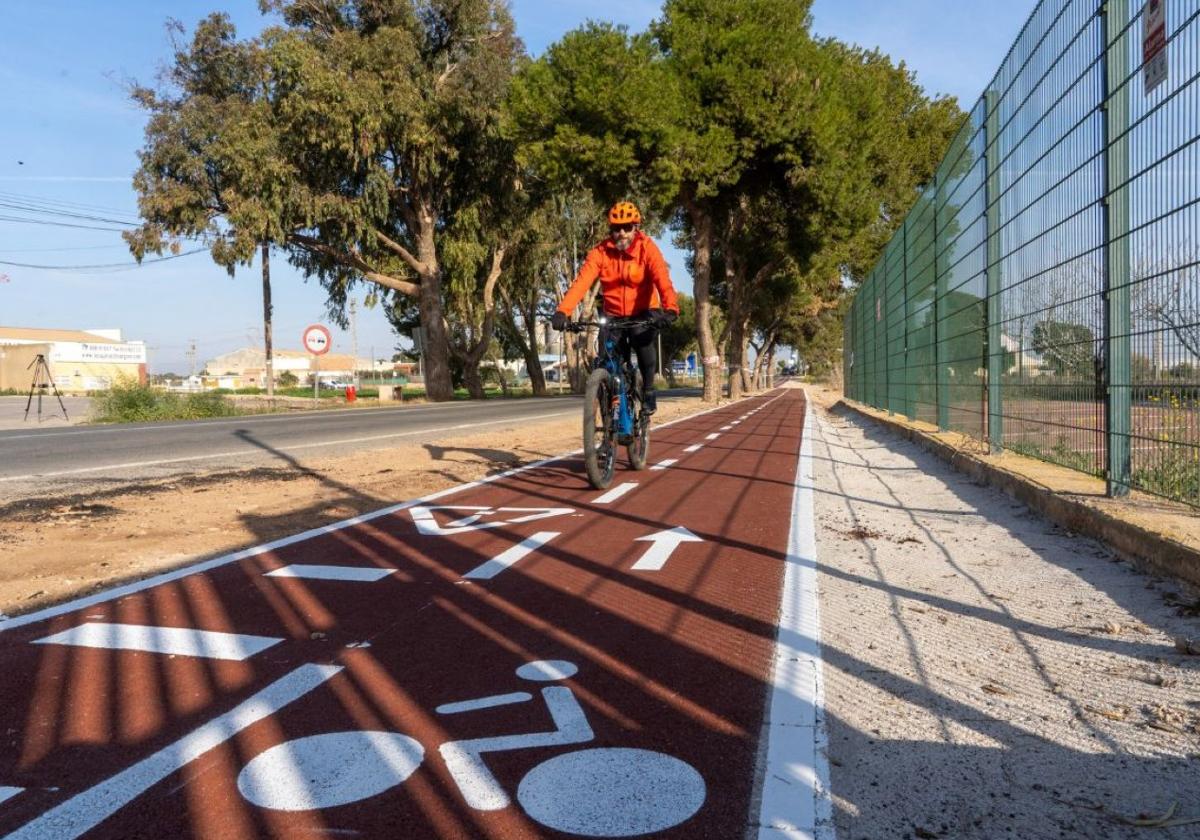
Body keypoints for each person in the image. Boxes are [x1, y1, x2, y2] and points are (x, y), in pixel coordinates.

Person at [551, 201, 680, 414]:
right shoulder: (600, 252)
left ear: (635, 227)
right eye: (616, 228)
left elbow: (662, 280)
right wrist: (563, 311)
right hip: (613, 315)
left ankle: (648, 390)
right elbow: (581, 283)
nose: (621, 233)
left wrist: (671, 308)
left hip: (644, 312)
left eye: (627, 227)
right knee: (606, 361)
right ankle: (606, 422)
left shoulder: (647, 248)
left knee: (643, 345)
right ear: (610, 229)